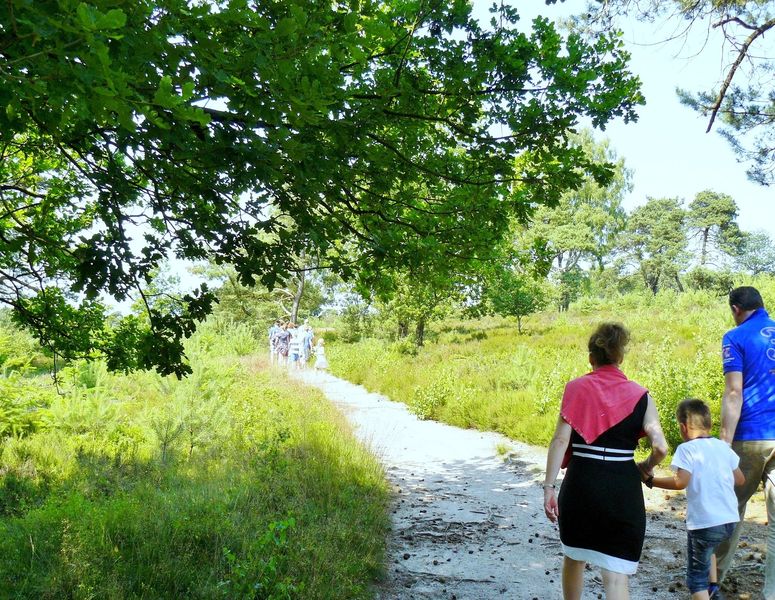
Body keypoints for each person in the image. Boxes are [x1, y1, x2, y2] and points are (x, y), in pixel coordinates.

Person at [543, 322, 668, 600]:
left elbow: (560, 441)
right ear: (620, 357)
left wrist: (549, 487)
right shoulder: (642, 396)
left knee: (574, 558)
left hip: (581, 487)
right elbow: (661, 447)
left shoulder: (575, 388)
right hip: (623, 491)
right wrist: (646, 467)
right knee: (615, 577)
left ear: (591, 358)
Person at [640, 399, 744, 600]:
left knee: (695, 580)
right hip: (729, 521)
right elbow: (740, 479)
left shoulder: (686, 449)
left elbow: (680, 482)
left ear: (683, 427)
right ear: (709, 424)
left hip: (705, 523)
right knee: (709, 549)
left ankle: (705, 591)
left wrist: (650, 481)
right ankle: (713, 589)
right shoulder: (723, 447)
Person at [715, 286, 775, 599]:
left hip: (751, 436)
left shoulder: (735, 337)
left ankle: (711, 582)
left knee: (729, 507)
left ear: (736, 309)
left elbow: (734, 392)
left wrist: (724, 444)